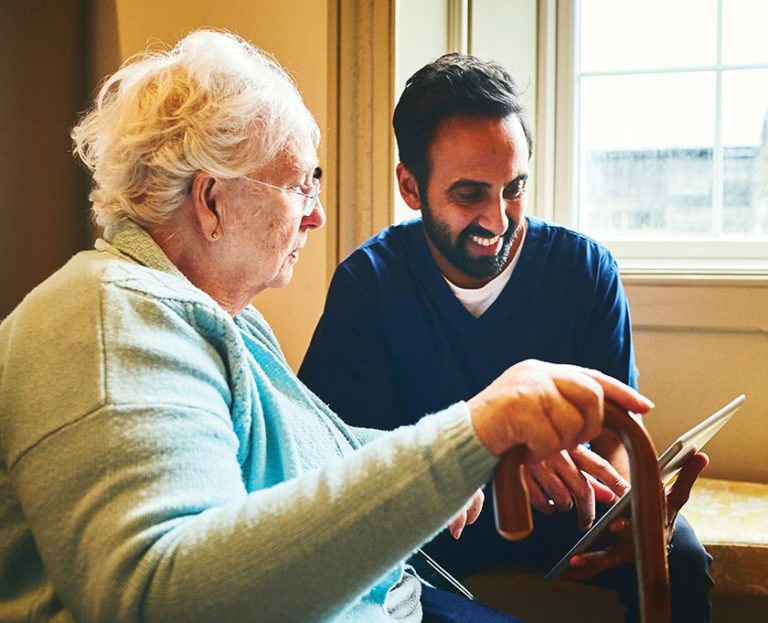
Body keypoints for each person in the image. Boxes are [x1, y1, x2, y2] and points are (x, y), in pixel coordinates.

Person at [0, 30, 665, 623]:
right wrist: (475, 430)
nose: (316, 216)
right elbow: (162, 597)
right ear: (211, 200)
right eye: (299, 185)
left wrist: (477, 460)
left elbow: (309, 461)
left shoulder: (228, 321)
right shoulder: (107, 317)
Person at [299, 53, 713, 622]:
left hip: (565, 510)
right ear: (410, 186)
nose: (498, 220)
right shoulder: (368, 286)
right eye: (469, 195)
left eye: (514, 189)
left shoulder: (584, 269)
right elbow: (337, 459)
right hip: (436, 524)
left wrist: (629, 507)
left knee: (680, 557)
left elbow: (620, 425)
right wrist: (487, 455)